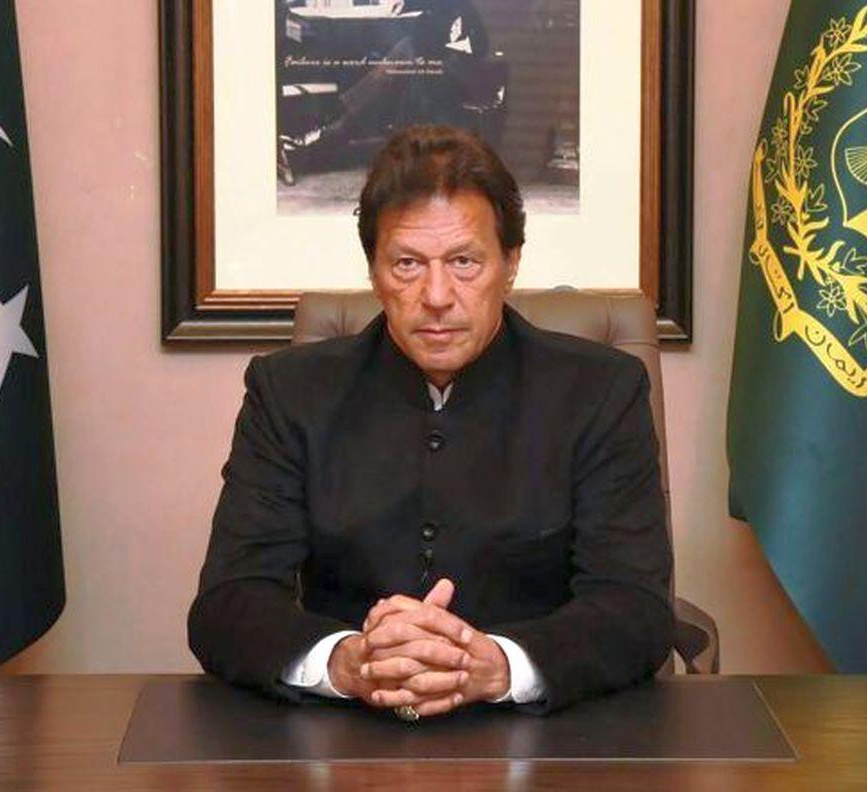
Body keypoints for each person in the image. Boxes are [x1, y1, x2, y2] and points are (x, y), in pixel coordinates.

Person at [188, 125, 673, 717]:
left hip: (546, 733)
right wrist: (349, 662)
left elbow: (634, 606)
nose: (437, 295)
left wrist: (495, 666)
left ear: (511, 263)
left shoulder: (600, 391)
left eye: (464, 262)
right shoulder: (289, 392)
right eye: (407, 264)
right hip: (344, 729)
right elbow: (228, 602)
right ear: (374, 272)